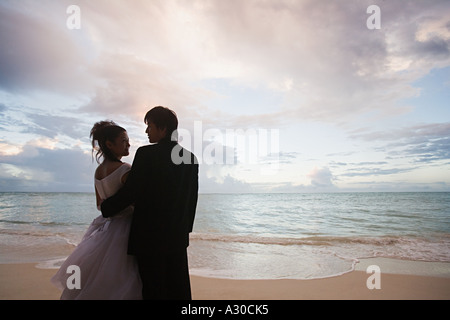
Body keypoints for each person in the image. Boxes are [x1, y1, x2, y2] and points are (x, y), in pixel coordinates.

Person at [101, 106, 199, 300]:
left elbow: (132, 192)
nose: (147, 131)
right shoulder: (190, 158)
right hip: (177, 237)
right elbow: (191, 200)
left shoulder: (146, 154)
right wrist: (184, 230)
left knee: (153, 290)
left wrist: (107, 207)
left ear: (163, 129)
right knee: (179, 289)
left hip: (149, 238)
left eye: (150, 127)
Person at [51, 121, 142, 299]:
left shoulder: (99, 171)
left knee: (100, 274)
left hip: (107, 226)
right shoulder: (125, 169)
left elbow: (100, 204)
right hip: (125, 227)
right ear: (109, 144)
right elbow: (135, 199)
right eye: (124, 140)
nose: (128, 144)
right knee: (124, 275)